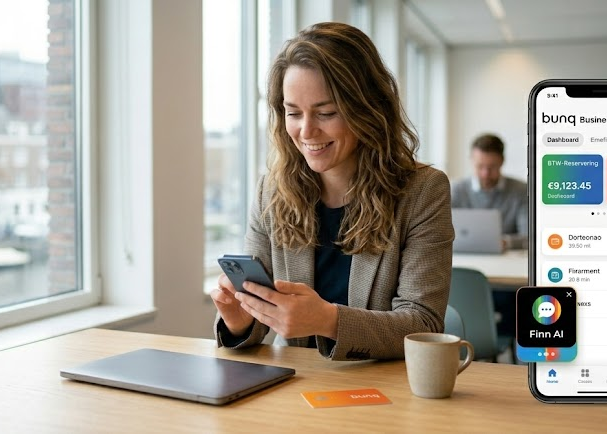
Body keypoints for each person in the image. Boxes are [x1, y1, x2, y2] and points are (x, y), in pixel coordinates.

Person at [210, 22, 453, 361]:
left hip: (384, 392)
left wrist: (327, 320)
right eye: (293, 113)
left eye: (326, 113)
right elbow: (258, 326)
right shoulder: (271, 191)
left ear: (367, 109)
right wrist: (240, 322)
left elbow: (423, 325)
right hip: (296, 388)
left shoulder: (423, 191)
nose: (306, 131)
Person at [450, 134, 528, 250]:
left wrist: (504, 242)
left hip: (507, 260)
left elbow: (530, 237)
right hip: (465, 257)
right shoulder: (456, 190)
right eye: (480, 166)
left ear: (502, 161)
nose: (485, 174)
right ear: (471, 160)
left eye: (492, 167)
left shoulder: (521, 191)